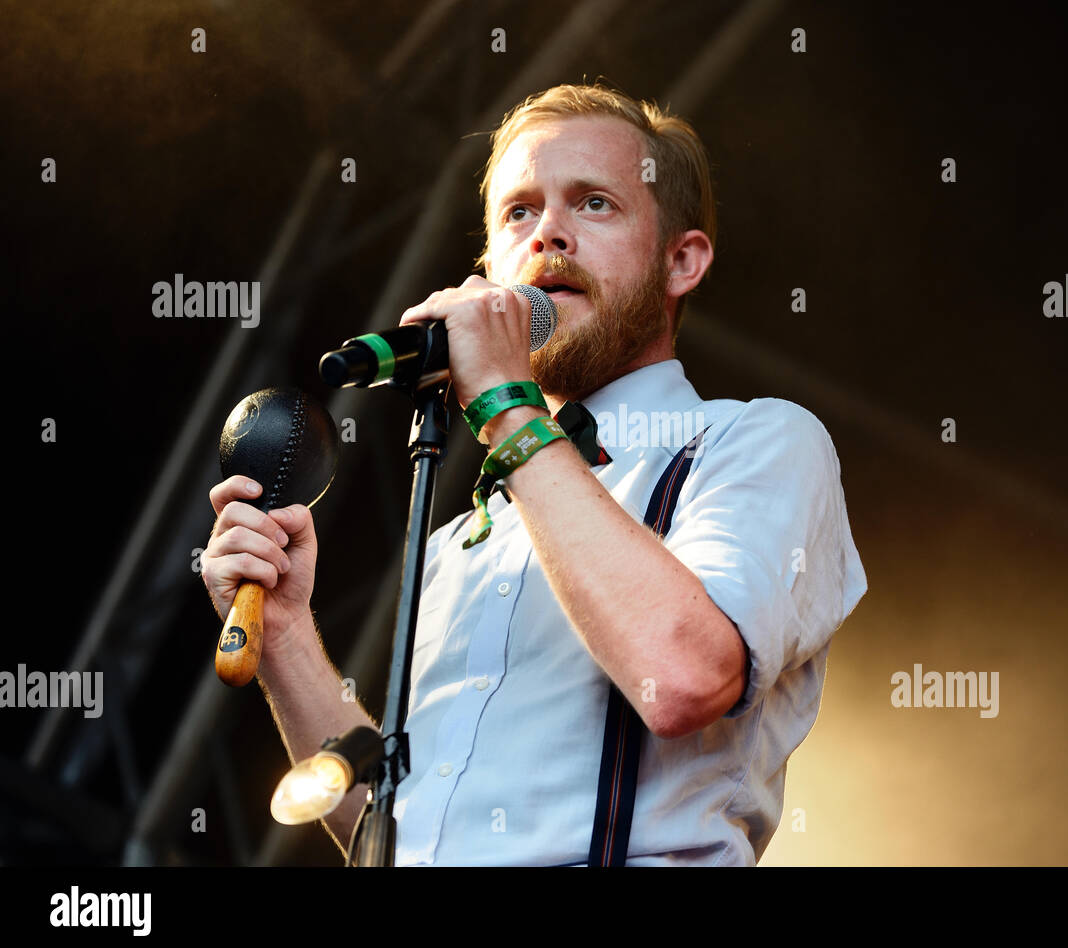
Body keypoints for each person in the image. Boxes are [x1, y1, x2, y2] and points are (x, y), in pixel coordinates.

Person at [202, 83, 867, 866]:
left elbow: (685, 676)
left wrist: (508, 409)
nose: (548, 233)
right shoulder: (461, 539)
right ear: (491, 271)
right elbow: (400, 831)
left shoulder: (754, 442)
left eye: (593, 204)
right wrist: (285, 635)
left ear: (680, 260)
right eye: (519, 212)